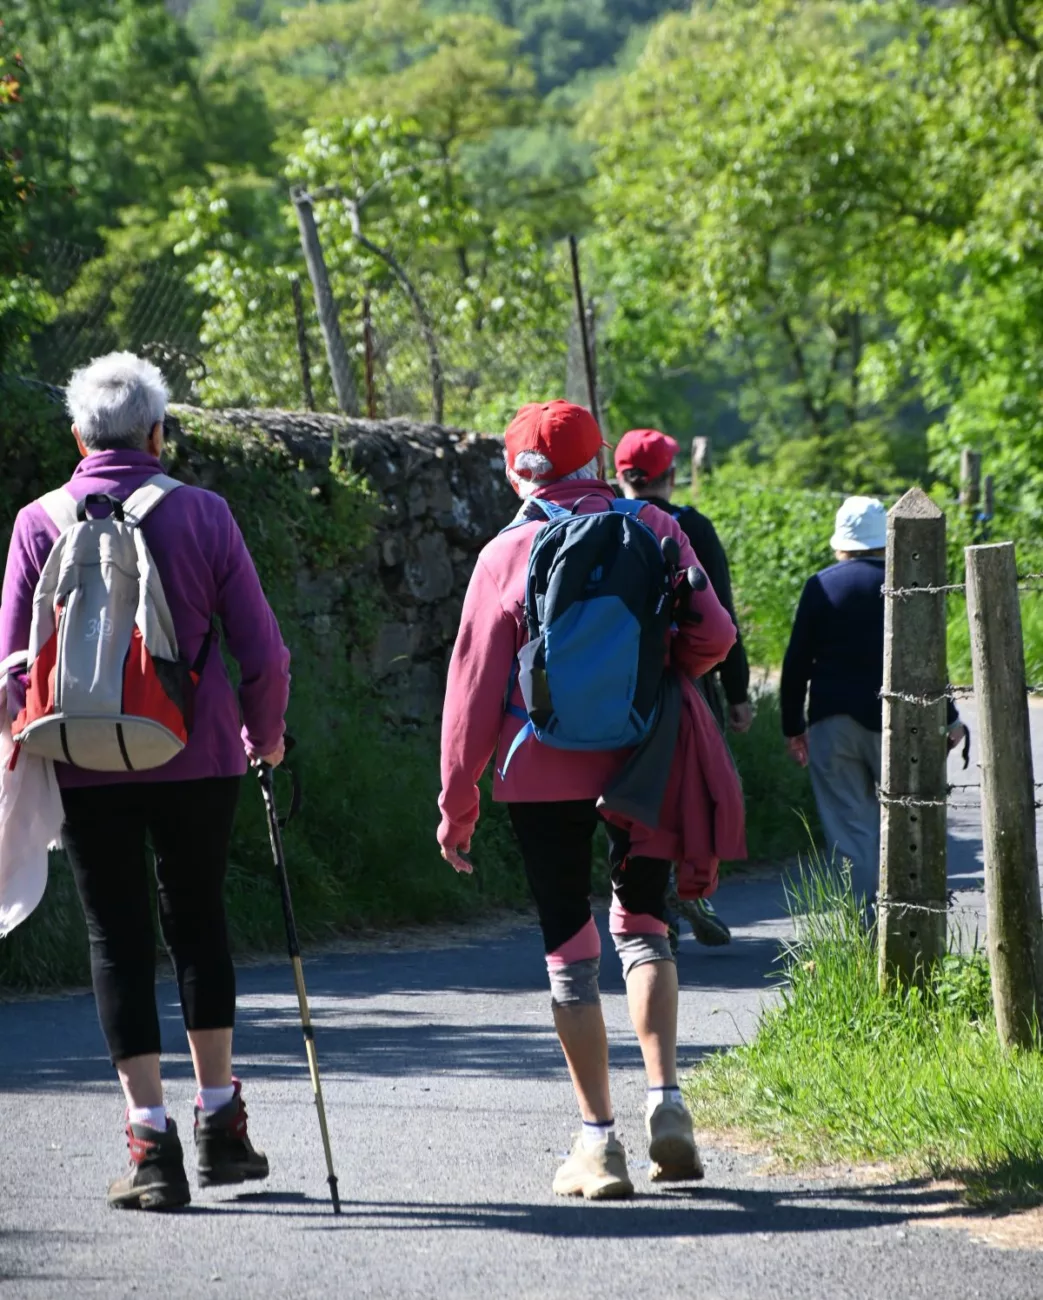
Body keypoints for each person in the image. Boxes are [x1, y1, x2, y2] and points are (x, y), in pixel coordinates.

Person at [0, 352, 290, 1210]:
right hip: (196, 755)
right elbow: (263, 652)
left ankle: (149, 1145)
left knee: (114, 940)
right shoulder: (202, 514)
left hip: (83, 758)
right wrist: (262, 739)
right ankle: (220, 1125)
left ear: (78, 435)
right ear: (159, 433)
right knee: (198, 925)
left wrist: (31, 744)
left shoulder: (38, 521)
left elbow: (12, 667)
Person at [437, 400, 741, 1200]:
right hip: (643, 755)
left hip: (537, 765)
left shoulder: (505, 552)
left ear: (516, 472)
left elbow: (470, 692)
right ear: (596, 460)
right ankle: (667, 1105)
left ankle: (598, 1145)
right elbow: (714, 635)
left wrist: (456, 803)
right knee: (643, 922)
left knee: (569, 950)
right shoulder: (655, 528)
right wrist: (653, 671)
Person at [780, 495, 966, 915]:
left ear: (840, 541)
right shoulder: (908, 585)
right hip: (901, 723)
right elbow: (928, 657)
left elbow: (796, 663)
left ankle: (864, 934)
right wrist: (950, 717)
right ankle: (910, 920)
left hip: (833, 723)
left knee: (851, 832)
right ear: (887, 540)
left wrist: (793, 726)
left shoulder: (822, 585)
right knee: (905, 822)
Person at [614, 427, 748, 949]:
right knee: (693, 791)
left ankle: (649, 903)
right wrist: (737, 695)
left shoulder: (599, 523)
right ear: (671, 475)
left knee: (632, 794)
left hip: (615, 691)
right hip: (687, 685)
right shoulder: (690, 527)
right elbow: (722, 616)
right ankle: (687, 884)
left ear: (620, 475)